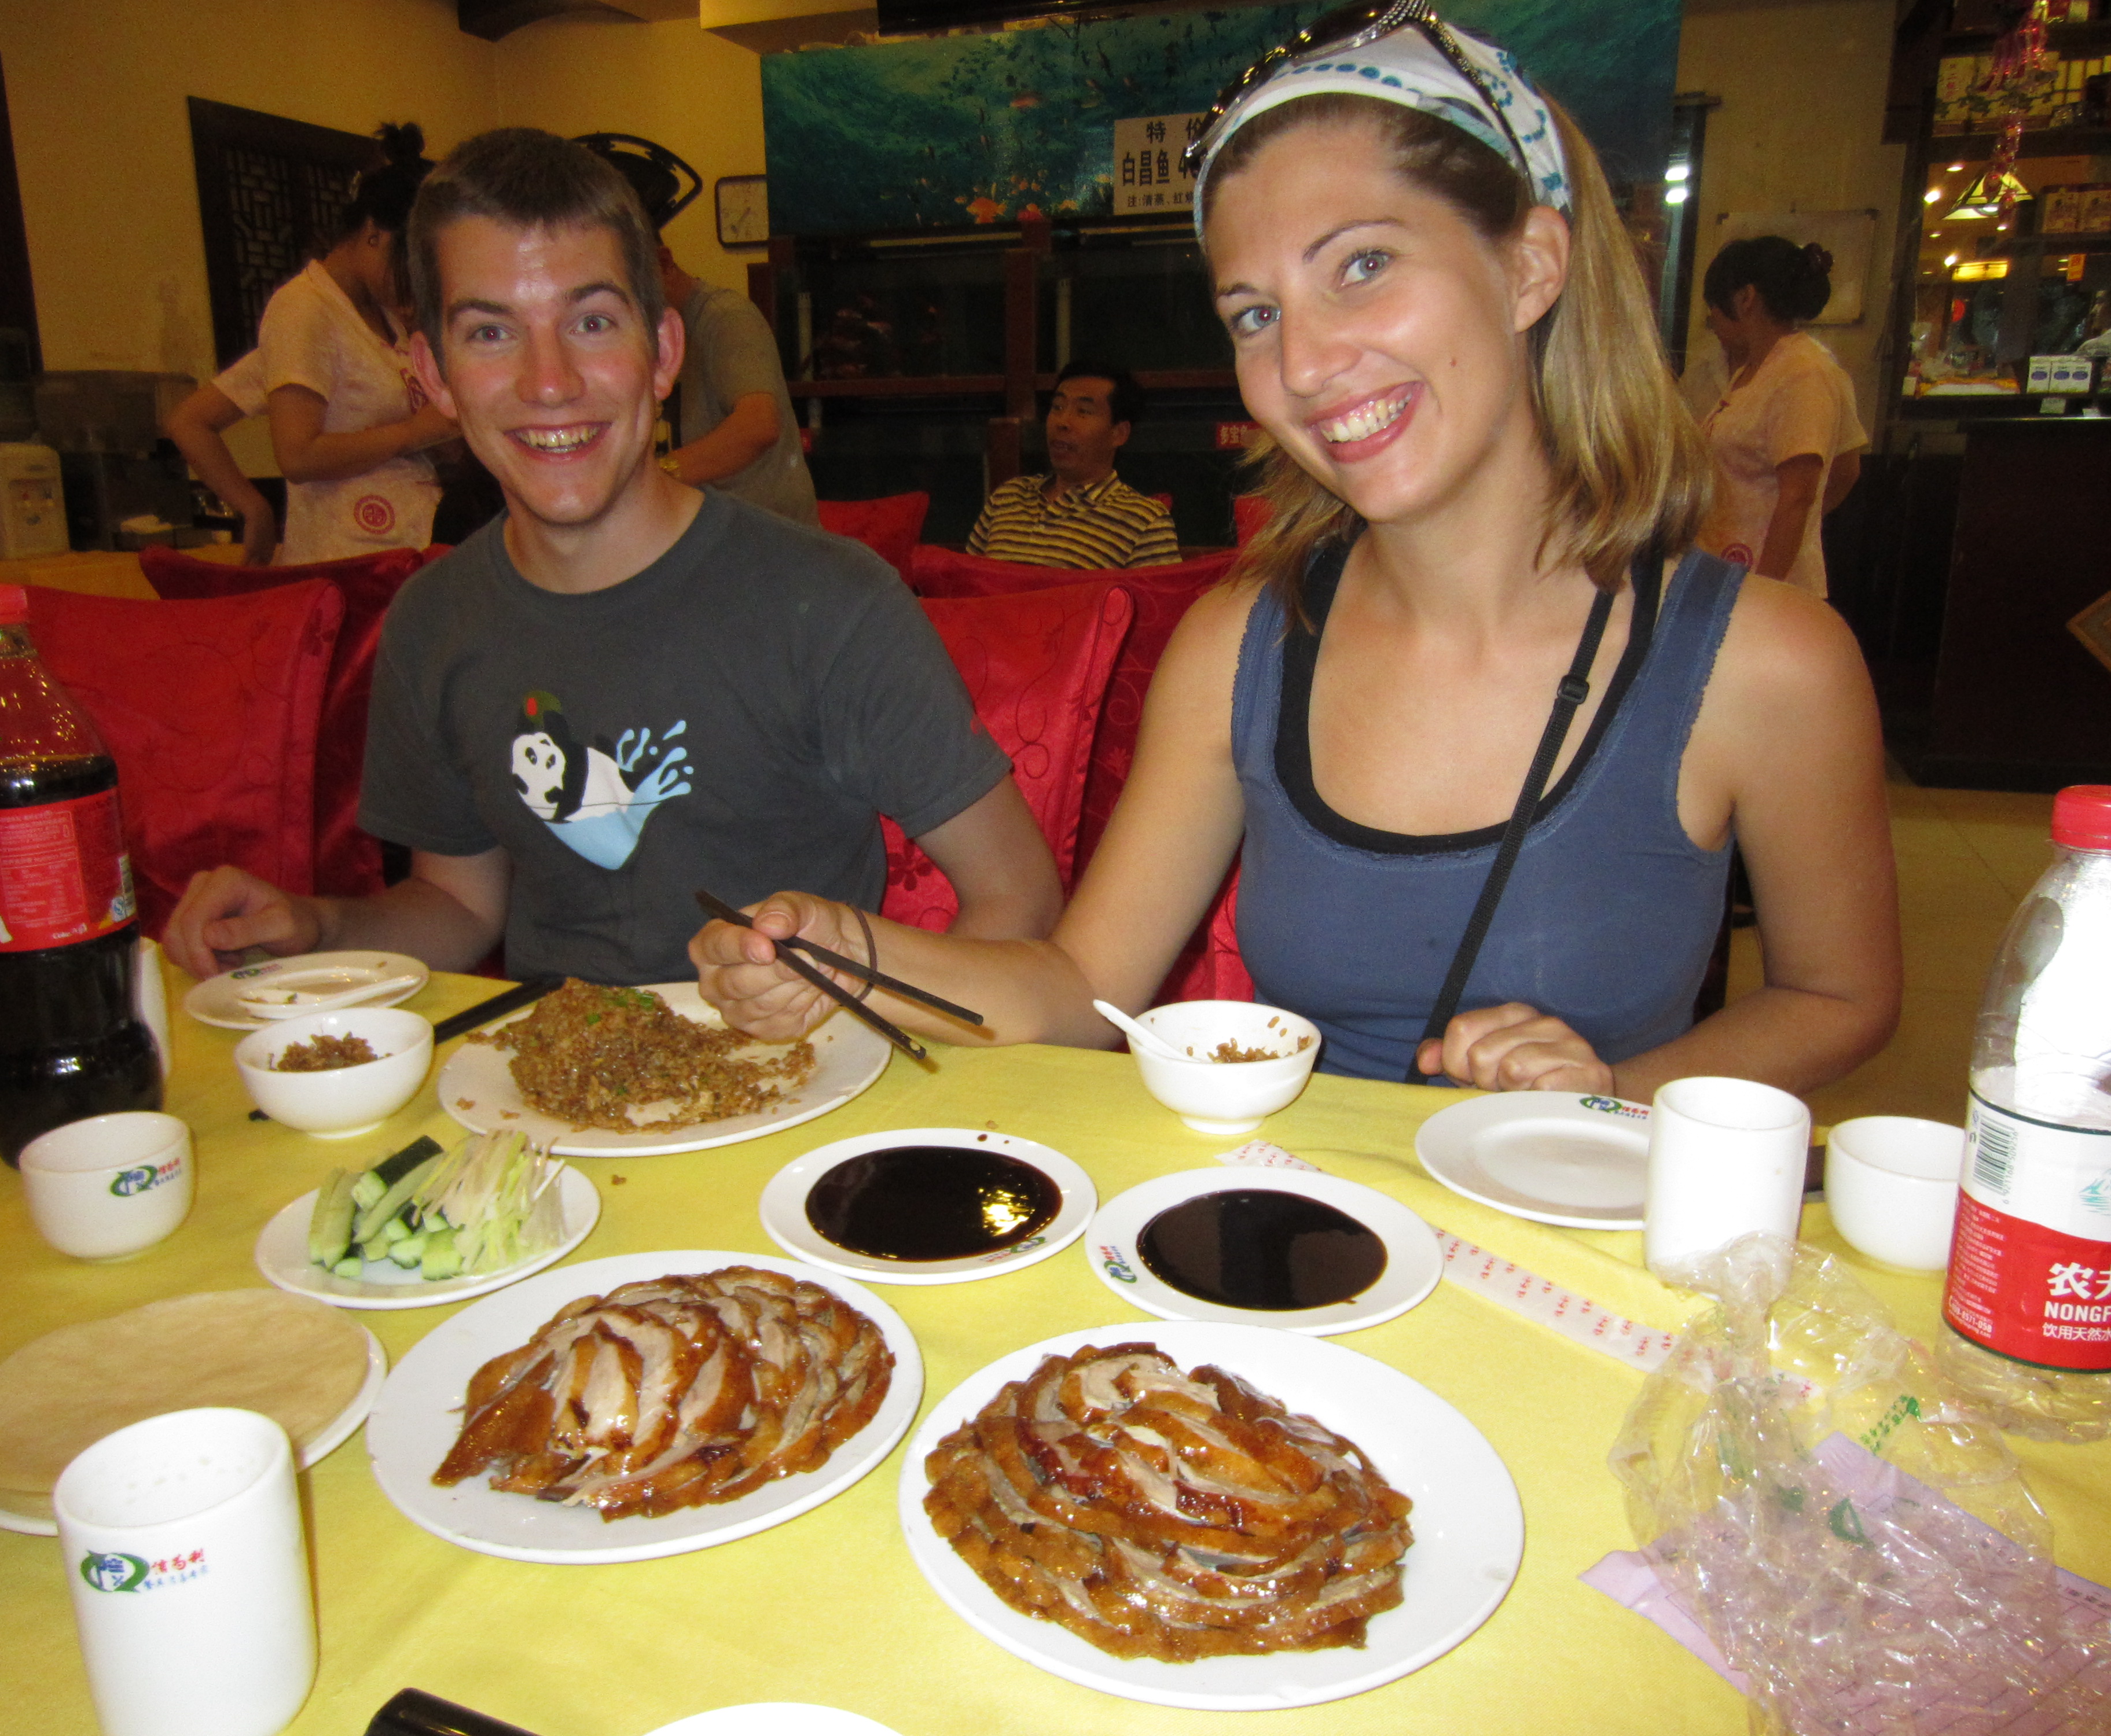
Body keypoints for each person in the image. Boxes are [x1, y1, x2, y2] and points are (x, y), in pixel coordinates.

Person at [694, 3, 1900, 1101]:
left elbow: (1838, 998)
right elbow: (1080, 990)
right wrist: (850, 953)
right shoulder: (1240, 646)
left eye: (1363, 266)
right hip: (1311, 1241)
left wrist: (1608, 1099)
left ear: (1530, 264)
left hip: (1579, 1236)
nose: (1306, 365)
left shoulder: (1765, 662)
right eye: (1256, 315)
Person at [163, 128, 1061, 986]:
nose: (548, 382)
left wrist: (861, 1027)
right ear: (433, 378)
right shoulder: (432, 619)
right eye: (491, 333)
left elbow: (1017, 895)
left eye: (591, 322)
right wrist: (317, 929)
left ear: (662, 351)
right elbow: (458, 903)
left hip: (798, 1066)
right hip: (552, 1063)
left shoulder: (832, 601)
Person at [259, 122, 458, 562]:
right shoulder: (304, 306)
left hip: (411, 539)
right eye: (410, 263)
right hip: (348, 555)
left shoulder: (387, 318)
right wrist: (413, 433)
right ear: (374, 232)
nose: (413, 283)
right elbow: (297, 455)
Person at [1695, 236, 1866, 597]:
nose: (1713, 321)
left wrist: (1765, 590)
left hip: (1766, 584)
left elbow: (1801, 493)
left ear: (1746, 298)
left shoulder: (1803, 372)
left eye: (1714, 308)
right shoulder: (1754, 370)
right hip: (1723, 569)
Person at [655, 243, 818, 525]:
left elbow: (758, 426)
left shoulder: (727, 318)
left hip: (770, 540)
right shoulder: (667, 331)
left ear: (664, 261)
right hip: (734, 533)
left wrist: (659, 477)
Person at [966, 361, 1180, 568]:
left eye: (1083, 411)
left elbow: (1154, 594)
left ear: (1119, 433)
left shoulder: (1144, 519)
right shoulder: (1009, 496)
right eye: (1057, 407)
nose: (1063, 422)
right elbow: (964, 581)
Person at [162, 352, 277, 564]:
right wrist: (255, 510)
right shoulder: (291, 348)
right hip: (321, 540)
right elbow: (188, 424)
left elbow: (187, 423)